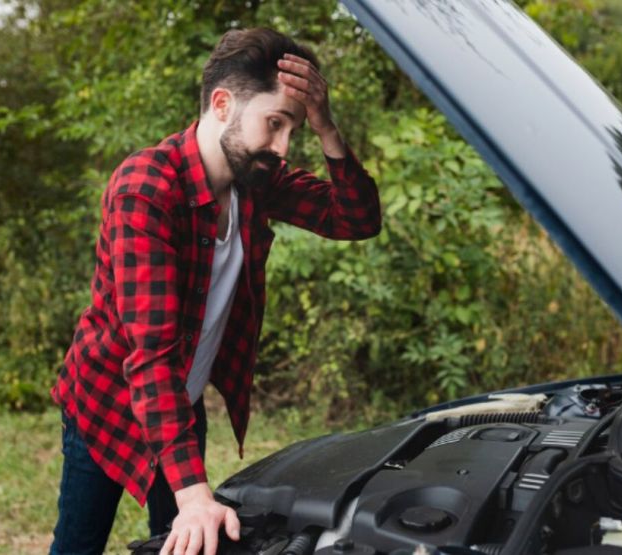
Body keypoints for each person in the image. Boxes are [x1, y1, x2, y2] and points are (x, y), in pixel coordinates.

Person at [49, 27, 381, 555]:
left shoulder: (256, 179)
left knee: (185, 545)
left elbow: (356, 218)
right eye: (275, 124)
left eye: (292, 129)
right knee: (79, 544)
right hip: (109, 403)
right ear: (223, 104)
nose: (282, 146)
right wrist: (194, 494)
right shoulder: (147, 187)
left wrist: (325, 125)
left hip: (180, 403)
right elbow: (152, 355)